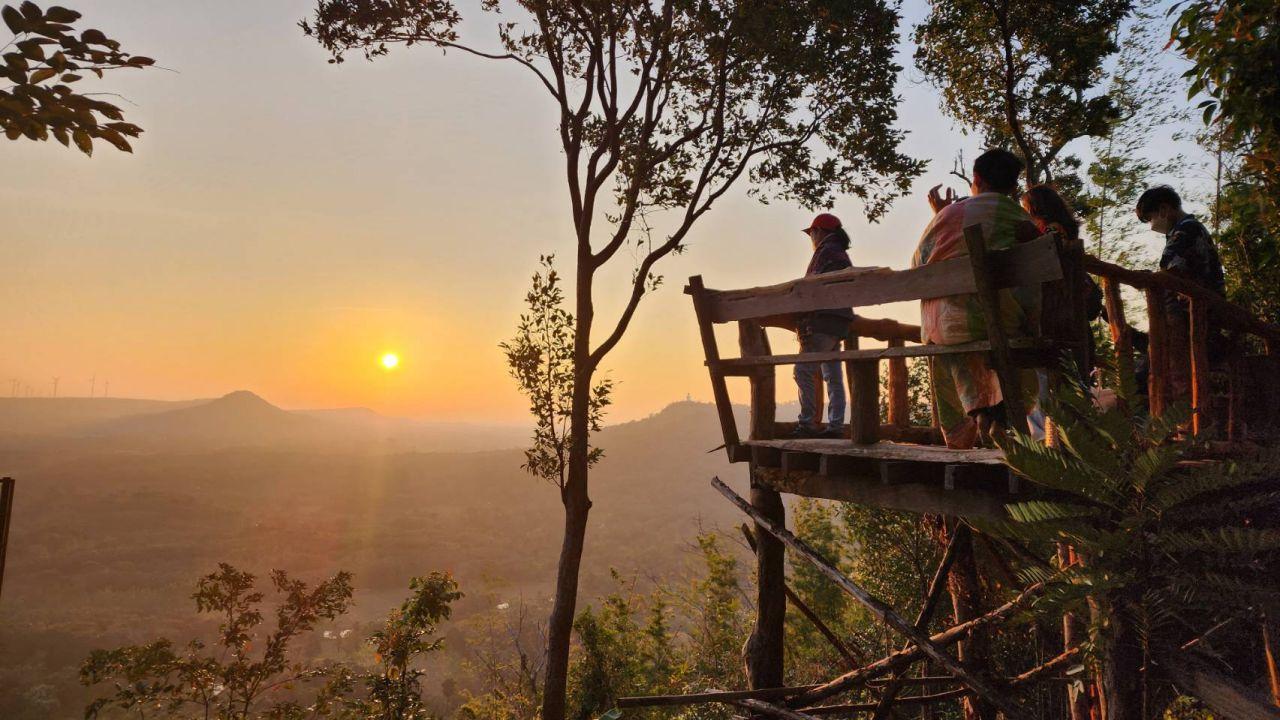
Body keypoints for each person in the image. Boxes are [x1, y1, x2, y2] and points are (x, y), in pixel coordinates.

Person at [912, 149, 1041, 449]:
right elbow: (1039, 257)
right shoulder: (1011, 212)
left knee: (963, 347)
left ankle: (979, 416)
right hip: (994, 323)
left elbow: (916, 267)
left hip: (939, 330)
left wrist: (941, 216)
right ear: (1012, 187)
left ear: (977, 179)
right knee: (1009, 333)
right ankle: (1003, 419)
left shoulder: (944, 216)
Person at [1135, 185, 1225, 400]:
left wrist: (1148, 279)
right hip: (1197, 311)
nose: (1152, 226)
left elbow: (1173, 271)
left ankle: (1186, 424)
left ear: (1164, 210)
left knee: (1176, 373)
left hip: (1187, 314)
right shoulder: (1189, 229)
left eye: (1151, 219)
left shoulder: (1185, 230)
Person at [793, 212, 855, 438]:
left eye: (811, 233)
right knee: (832, 374)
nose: (811, 238)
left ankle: (807, 423)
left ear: (818, 232)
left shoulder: (825, 252)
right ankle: (835, 426)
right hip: (839, 321)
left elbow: (810, 286)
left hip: (822, 320)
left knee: (802, 370)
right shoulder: (840, 253)